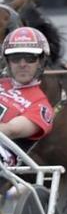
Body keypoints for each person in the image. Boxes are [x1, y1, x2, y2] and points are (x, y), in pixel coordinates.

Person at [0, 27, 55, 165]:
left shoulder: (42, 106)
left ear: (41, 62)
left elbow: (11, 130)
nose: (22, 64)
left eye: (30, 58)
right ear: (8, 61)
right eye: (16, 58)